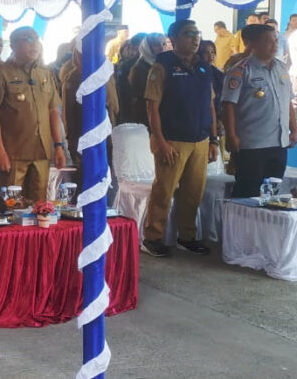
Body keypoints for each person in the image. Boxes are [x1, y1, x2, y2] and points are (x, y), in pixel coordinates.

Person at [142, 19, 218, 258]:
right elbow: (152, 107)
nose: (195, 38)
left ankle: (187, 236)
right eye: (188, 34)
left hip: (200, 139)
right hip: (172, 140)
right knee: (164, 191)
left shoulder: (204, 67)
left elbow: (210, 105)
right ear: (173, 39)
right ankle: (152, 238)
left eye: (197, 33)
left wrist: (214, 139)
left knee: (193, 192)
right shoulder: (162, 66)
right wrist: (160, 141)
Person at [0, 27, 66, 203]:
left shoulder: (45, 73)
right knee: (11, 206)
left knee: (39, 206)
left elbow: (53, 110)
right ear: (13, 45)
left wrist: (59, 145)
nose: (34, 44)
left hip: (42, 151)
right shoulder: (0, 73)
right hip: (13, 153)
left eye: (36, 39)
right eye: (28, 39)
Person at [222, 24, 296, 198]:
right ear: (252, 43)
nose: (274, 45)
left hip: (278, 142)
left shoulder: (281, 68)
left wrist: (294, 129)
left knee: (272, 195)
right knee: (247, 193)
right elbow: (228, 104)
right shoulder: (241, 70)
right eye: (268, 41)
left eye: (275, 40)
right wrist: (231, 136)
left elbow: (287, 101)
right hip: (252, 144)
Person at [61, 46, 119, 185]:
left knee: (104, 174)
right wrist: (71, 139)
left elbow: (113, 104)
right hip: (83, 133)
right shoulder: (74, 78)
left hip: (105, 132)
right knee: (87, 176)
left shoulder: (104, 73)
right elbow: (68, 111)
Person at [127, 33, 166, 127]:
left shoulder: (163, 64)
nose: (161, 47)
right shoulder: (139, 68)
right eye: (156, 44)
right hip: (145, 115)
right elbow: (142, 96)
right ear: (147, 47)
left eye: (163, 44)